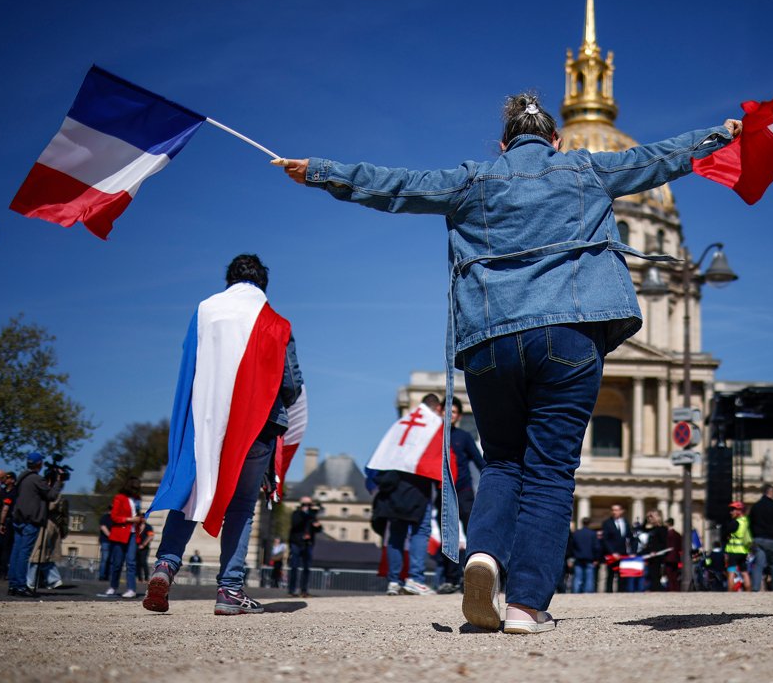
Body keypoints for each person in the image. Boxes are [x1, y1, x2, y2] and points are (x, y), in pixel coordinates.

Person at [279, 93, 740, 632]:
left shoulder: (474, 178)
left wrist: (320, 171)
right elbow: (662, 158)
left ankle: (483, 558)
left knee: (501, 461)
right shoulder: (586, 169)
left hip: (491, 340)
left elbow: (396, 187)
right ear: (556, 141)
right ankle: (525, 606)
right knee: (548, 474)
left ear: (503, 146)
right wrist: (723, 133)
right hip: (569, 333)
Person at [143, 254, 304, 616]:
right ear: (263, 283)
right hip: (256, 426)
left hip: (204, 420)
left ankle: (166, 565)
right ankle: (229, 590)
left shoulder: (204, 311)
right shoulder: (276, 322)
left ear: (228, 280)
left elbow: (191, 361)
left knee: (189, 492)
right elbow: (291, 382)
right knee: (243, 508)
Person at [372, 394, 442, 597]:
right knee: (420, 529)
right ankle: (416, 579)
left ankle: (393, 581)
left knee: (396, 534)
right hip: (417, 484)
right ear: (436, 408)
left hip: (393, 486)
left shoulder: (403, 423)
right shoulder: (433, 424)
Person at [436, 397, 485, 594]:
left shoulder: (464, 437)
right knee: (448, 536)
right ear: (440, 412)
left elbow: (479, 461)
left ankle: (469, 574)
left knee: (471, 531)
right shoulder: (434, 437)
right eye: (447, 411)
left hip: (463, 491)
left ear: (459, 416)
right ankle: (450, 578)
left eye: (454, 412)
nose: (450, 415)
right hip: (442, 491)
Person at [4, 452, 64, 597]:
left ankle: (13, 584)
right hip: (31, 520)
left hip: (18, 519)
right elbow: (51, 496)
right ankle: (20, 585)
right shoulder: (36, 479)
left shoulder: (22, 477)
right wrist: (59, 482)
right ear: (39, 464)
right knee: (24, 554)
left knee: (16, 552)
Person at [100, 478, 141, 598]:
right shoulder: (120, 498)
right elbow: (114, 516)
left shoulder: (137, 499)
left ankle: (131, 589)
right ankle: (113, 586)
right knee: (117, 563)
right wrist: (129, 519)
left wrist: (140, 519)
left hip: (133, 533)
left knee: (131, 562)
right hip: (120, 533)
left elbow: (137, 515)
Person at [749, 485, 773, 592]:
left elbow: (750, 524)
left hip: (758, 539)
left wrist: (753, 537)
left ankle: (755, 588)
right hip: (771, 540)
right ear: (771, 493)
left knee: (758, 565)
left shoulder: (755, 506)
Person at [287, 497, 321, 597]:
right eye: (305, 504)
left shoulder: (312, 516)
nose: (307, 507)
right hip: (296, 543)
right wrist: (303, 514)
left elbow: (318, 529)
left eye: (309, 504)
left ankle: (304, 590)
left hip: (308, 544)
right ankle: (292, 590)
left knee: (306, 568)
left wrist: (317, 526)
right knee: (294, 567)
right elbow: (295, 524)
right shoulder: (296, 514)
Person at [601, 504, 636, 593]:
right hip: (612, 554)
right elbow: (605, 540)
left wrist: (633, 552)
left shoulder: (626, 522)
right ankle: (609, 592)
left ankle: (621, 592)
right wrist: (612, 552)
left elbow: (631, 538)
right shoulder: (607, 523)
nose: (615, 512)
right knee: (610, 575)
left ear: (621, 511)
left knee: (622, 575)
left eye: (617, 510)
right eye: (613, 510)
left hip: (623, 554)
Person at [724, 501, 753, 592]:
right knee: (744, 571)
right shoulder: (746, 521)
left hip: (734, 550)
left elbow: (725, 533)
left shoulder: (735, 523)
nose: (731, 512)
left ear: (739, 511)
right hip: (744, 551)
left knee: (731, 571)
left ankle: (730, 592)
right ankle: (748, 591)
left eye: (733, 510)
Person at [567, 517, 599, 593]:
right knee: (589, 578)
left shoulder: (576, 533)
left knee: (577, 577)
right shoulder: (593, 534)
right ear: (589, 524)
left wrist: (571, 558)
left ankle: (575, 592)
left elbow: (572, 546)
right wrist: (596, 558)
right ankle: (588, 593)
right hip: (589, 558)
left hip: (578, 557)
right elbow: (596, 547)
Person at [641, 510, 667, 591]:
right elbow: (642, 528)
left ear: (658, 517)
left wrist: (656, 551)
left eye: (652, 516)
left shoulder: (662, 529)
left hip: (657, 555)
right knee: (649, 574)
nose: (650, 518)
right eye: (649, 517)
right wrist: (646, 518)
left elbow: (664, 543)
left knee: (655, 574)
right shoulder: (651, 529)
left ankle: (656, 589)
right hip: (649, 555)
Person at [664, 517, 684, 592]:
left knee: (669, 575)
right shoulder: (677, 534)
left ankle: (672, 589)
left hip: (668, 557)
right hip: (676, 557)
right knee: (675, 575)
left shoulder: (668, 534)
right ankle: (676, 589)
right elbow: (680, 546)